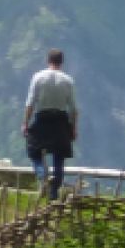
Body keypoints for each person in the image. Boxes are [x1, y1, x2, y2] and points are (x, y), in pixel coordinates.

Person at [23, 49, 80, 200]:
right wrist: (74, 128)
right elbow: (73, 109)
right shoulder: (68, 80)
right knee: (59, 157)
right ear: (61, 62)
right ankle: (54, 194)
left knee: (34, 151)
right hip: (61, 120)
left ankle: (42, 176)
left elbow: (30, 103)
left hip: (42, 118)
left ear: (48, 60)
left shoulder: (38, 77)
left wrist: (25, 123)